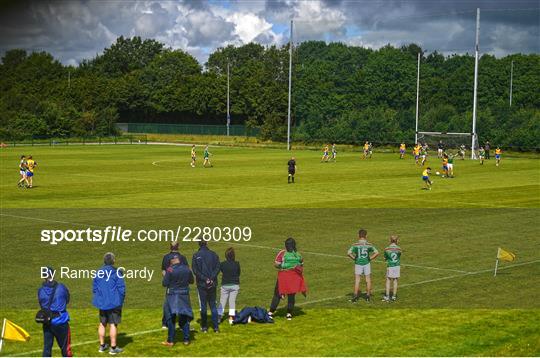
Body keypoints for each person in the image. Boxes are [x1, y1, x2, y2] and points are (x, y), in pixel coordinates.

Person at [92, 252, 125, 355]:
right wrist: (120, 300)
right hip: (114, 303)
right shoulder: (117, 272)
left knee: (102, 323)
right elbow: (122, 289)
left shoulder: (98, 272)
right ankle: (113, 348)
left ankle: (102, 346)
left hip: (102, 303)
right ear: (113, 261)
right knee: (113, 324)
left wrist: (101, 298)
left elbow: (95, 288)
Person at [269, 238, 306, 320]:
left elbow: (277, 264)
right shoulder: (298, 254)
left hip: (284, 277)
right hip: (294, 277)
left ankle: (271, 312)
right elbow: (301, 265)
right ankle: (289, 314)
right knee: (291, 295)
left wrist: (282, 266)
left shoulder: (283, 253)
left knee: (277, 294)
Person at [38, 267, 72, 357]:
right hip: (61, 321)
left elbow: (41, 305)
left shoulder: (40, 290)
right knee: (66, 349)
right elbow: (67, 299)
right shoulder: (61, 287)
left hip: (47, 322)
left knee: (47, 349)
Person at [162, 256, 194, 346]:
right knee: (184, 316)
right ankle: (186, 339)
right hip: (184, 295)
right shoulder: (187, 269)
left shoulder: (170, 270)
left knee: (170, 318)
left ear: (172, 261)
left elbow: (164, 283)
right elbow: (192, 281)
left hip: (172, 295)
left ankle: (170, 340)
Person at [191, 241, 220, 333]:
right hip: (212, 283)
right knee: (213, 305)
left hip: (202, 284)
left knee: (203, 306)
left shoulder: (196, 255)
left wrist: (205, 279)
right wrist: (211, 278)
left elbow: (195, 270)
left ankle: (204, 327)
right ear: (206, 243)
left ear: (199, 244)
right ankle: (216, 328)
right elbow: (218, 267)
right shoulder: (214, 254)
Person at [161, 242, 188, 329]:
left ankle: (165, 323)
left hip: (171, 285)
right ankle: (182, 323)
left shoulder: (166, 257)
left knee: (168, 304)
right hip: (181, 285)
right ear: (178, 246)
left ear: (170, 247)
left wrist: (167, 279)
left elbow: (164, 271)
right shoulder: (182, 257)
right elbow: (186, 270)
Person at [348, 229, 379, 302]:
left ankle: (355, 297)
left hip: (358, 263)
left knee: (357, 280)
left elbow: (348, 253)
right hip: (367, 263)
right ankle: (368, 296)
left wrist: (354, 258)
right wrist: (370, 258)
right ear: (366, 236)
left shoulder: (355, 245)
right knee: (368, 280)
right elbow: (377, 252)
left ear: (358, 235)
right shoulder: (369, 245)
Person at [218, 247, 241, 325]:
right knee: (232, 301)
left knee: (222, 301)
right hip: (235, 285)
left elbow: (221, 271)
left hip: (225, 285)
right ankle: (231, 318)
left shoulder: (222, 264)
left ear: (226, 256)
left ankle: (219, 317)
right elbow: (238, 273)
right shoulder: (237, 263)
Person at [382, 236, 402, 302]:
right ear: (397, 241)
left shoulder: (387, 249)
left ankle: (387, 296)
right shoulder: (399, 249)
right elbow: (399, 256)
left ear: (390, 240)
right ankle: (394, 296)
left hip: (390, 266)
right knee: (395, 281)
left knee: (388, 280)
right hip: (397, 266)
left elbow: (385, 258)